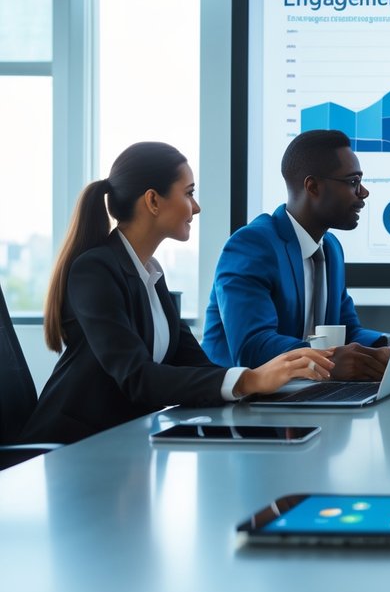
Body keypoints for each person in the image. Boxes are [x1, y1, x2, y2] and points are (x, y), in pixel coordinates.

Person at [22, 142, 332, 445]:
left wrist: (276, 384)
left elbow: (195, 364)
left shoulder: (151, 275)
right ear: (153, 201)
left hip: (122, 446)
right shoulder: (96, 270)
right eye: (189, 193)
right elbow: (137, 378)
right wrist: (250, 379)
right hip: (69, 449)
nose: (196, 207)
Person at [202, 130, 389, 380]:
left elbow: (349, 331)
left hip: (300, 397)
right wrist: (329, 362)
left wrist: (388, 344)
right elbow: (251, 347)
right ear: (312, 186)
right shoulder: (252, 245)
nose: (363, 192)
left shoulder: (330, 248)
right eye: (353, 182)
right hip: (239, 407)